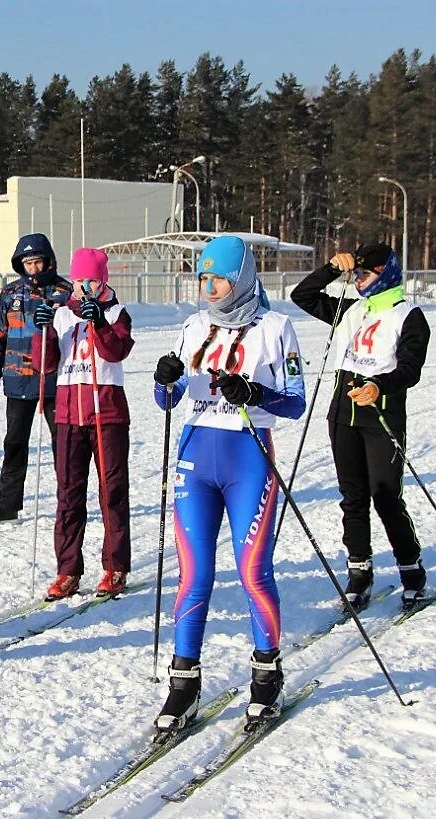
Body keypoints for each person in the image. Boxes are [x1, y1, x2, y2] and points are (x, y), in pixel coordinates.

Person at [150, 235, 306, 733]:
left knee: (252, 570)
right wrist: (165, 377)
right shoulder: (193, 327)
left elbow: (295, 402)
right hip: (196, 456)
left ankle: (265, 676)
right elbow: (166, 400)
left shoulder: (276, 327)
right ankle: (183, 685)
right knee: (193, 573)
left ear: (241, 277)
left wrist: (256, 391)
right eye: (202, 278)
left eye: (217, 278)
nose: (209, 287)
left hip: (248, 457)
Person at [291, 242, 430, 608]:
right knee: (352, 498)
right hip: (343, 414)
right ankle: (359, 572)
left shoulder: (408, 315)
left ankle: (411, 569)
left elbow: (409, 368)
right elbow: (302, 295)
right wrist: (332, 269)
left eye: (365, 275)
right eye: (356, 275)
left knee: (385, 497)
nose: (358, 281)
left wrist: (378, 386)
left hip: (380, 413)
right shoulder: (350, 310)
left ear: (387, 273)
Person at [31, 248, 135, 600]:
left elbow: (116, 351)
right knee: (69, 494)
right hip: (68, 413)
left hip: (106, 412)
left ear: (103, 280)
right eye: (78, 281)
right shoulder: (62, 315)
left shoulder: (117, 313)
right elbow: (44, 363)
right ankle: (67, 569)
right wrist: (42, 330)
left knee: (112, 492)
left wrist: (100, 324)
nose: (84, 287)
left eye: (91, 280)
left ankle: (115, 565)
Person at [0, 233, 68, 522]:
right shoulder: (9, 294)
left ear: (48, 261)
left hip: (55, 383)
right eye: (27, 263)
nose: (33, 268)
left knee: (63, 446)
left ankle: (68, 503)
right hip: (17, 382)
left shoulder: (65, 293)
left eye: (37, 261)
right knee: (14, 443)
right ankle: (8, 504)